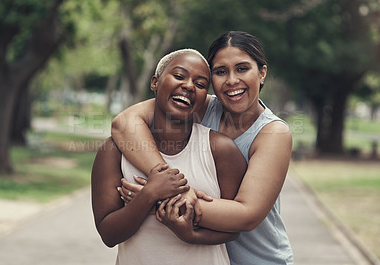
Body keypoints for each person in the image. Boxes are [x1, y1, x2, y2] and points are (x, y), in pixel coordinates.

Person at [111, 31, 294, 264]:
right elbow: (123, 124)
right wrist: (165, 180)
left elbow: (246, 215)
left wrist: (158, 198)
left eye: (242, 68)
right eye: (220, 72)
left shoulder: (273, 133)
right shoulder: (202, 106)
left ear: (261, 73)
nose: (231, 80)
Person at [91, 49, 247, 265]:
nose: (189, 86)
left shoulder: (221, 150)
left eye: (200, 84)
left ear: (205, 99)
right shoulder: (114, 151)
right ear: (155, 82)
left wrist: (190, 235)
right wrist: (149, 194)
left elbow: (234, 228)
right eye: (179, 76)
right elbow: (108, 234)